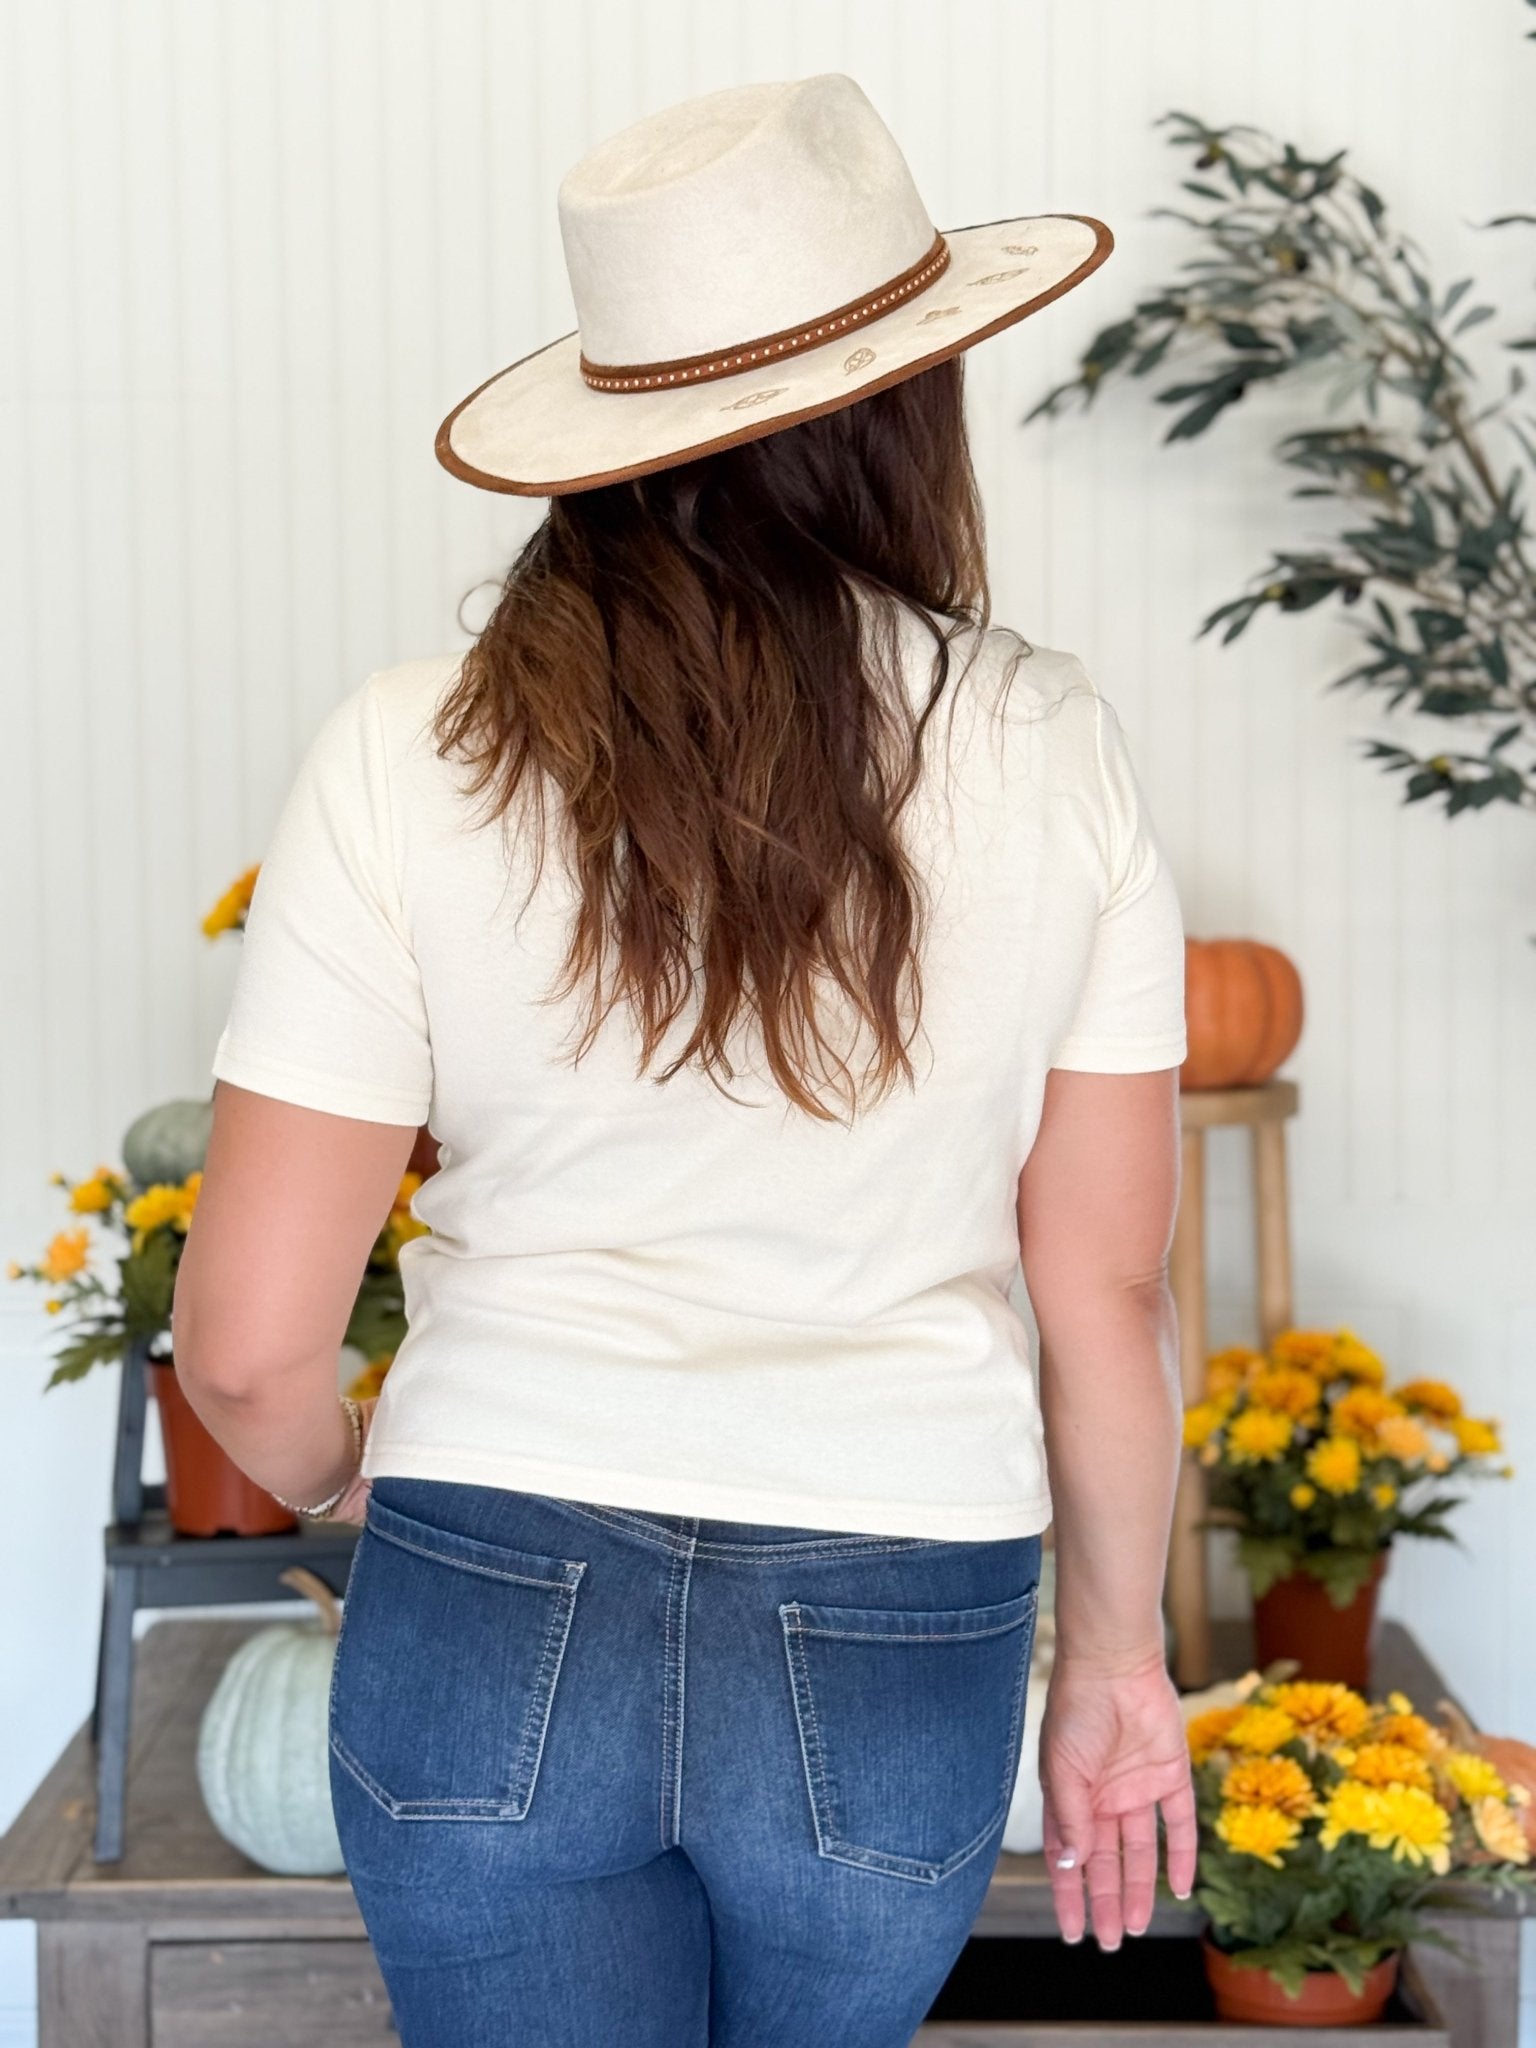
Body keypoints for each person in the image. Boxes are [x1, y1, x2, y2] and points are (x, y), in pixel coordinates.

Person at [172, 71, 1198, 2048]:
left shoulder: (408, 751)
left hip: (490, 1569)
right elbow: (1108, 1287)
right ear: (913, 401)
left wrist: (355, 1483)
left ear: (612, 428)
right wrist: (1118, 1664)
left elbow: (241, 1352)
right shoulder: (1051, 745)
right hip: (902, 1605)